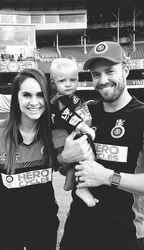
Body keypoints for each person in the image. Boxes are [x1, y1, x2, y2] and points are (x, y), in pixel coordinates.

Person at [58, 41, 144, 250]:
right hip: (78, 231)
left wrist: (106, 177)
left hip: (124, 235)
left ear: (126, 70)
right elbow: (63, 163)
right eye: (96, 74)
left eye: (110, 71)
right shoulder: (86, 112)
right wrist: (64, 157)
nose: (103, 80)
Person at [0, 68, 59, 250]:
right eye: (27, 95)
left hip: (44, 228)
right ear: (16, 97)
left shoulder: (54, 134)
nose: (34, 102)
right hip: (5, 231)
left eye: (40, 95)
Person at [50, 58, 98, 207]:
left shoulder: (74, 98)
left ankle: (71, 176)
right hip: (61, 137)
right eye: (62, 81)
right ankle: (82, 188)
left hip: (67, 135)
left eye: (72, 79)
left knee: (79, 159)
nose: (68, 84)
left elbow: (81, 110)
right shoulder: (58, 101)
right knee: (88, 156)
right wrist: (85, 128)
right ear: (53, 83)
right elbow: (69, 116)